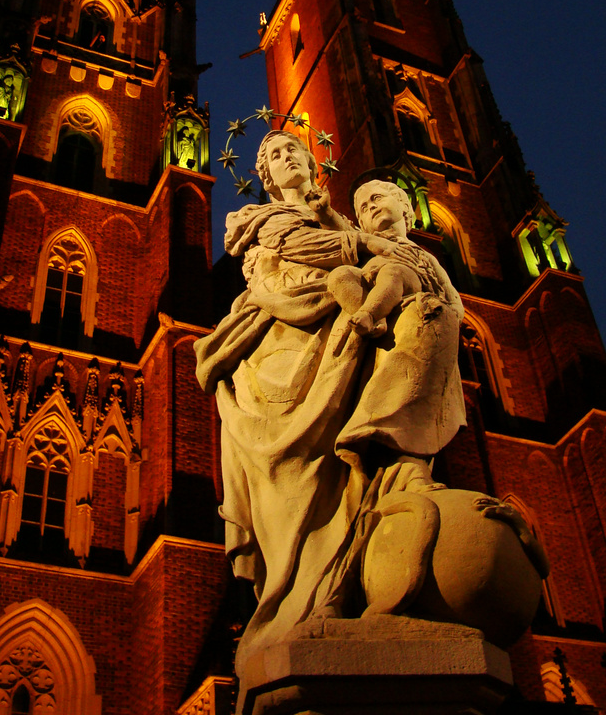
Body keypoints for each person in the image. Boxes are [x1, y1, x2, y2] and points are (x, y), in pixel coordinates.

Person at [193, 131, 465, 672]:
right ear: (265, 175)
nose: (286, 157)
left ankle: (367, 569)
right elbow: (297, 252)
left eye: (294, 149)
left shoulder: (342, 219)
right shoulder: (256, 219)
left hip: (343, 331)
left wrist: (372, 247)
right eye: (273, 155)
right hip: (280, 344)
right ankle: (299, 597)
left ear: (313, 163)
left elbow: (388, 268)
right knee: (296, 486)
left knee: (353, 468)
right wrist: (370, 246)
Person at [328, 179, 459, 338]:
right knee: (340, 275)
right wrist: (324, 213)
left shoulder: (422, 254)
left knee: (394, 272)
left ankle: (369, 314)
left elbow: (451, 295)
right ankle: (377, 317)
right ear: (363, 224)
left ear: (403, 205)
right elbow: (340, 230)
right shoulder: (369, 245)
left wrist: (451, 317)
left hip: (408, 283)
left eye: (376, 198)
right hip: (374, 285)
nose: (371, 206)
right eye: (364, 208)